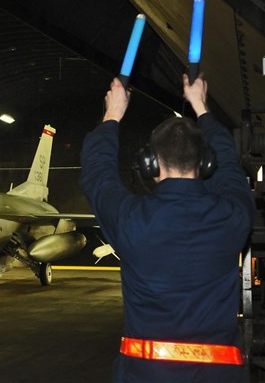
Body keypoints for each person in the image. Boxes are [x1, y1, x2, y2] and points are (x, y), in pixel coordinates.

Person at [80, 74, 255, 383]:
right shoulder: (233, 215)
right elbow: (229, 165)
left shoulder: (131, 219)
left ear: (150, 163)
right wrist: (200, 106)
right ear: (205, 164)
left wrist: (113, 114)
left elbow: (96, 174)